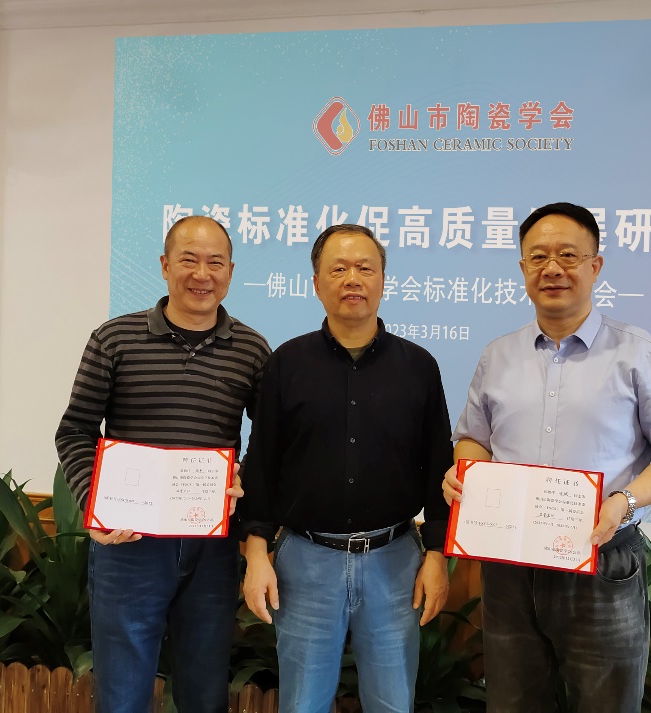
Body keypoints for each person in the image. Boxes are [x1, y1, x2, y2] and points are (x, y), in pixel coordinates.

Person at [443, 202, 651, 713]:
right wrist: (464, 472)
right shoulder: (498, 355)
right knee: (513, 703)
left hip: (601, 560)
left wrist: (624, 501)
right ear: (523, 268)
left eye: (568, 255)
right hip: (510, 563)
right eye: (538, 257)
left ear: (595, 265)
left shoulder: (639, 353)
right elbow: (473, 439)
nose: (552, 269)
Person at [56, 215, 271, 713]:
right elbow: (76, 430)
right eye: (188, 260)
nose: (202, 274)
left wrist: (244, 478)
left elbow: (269, 442)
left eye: (215, 262)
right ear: (164, 265)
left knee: (205, 692)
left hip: (212, 547)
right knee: (123, 695)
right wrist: (94, 503)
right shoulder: (114, 339)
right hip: (129, 544)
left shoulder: (252, 349)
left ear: (231, 271)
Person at [239, 223, 453, 713]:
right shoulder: (286, 364)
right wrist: (256, 555)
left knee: (392, 703)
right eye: (338, 269)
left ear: (383, 280)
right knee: (302, 704)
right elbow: (263, 462)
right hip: (305, 561)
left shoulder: (419, 366)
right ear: (316, 283)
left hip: (395, 561)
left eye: (364, 268)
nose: (352, 278)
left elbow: (439, 466)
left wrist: (438, 556)